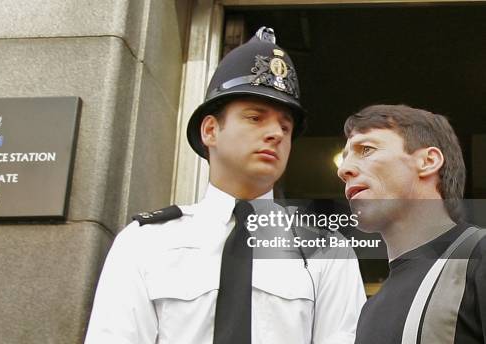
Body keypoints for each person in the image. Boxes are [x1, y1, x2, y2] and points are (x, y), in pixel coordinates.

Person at [85, 27, 365, 344]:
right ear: (210, 130)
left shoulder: (325, 250)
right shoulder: (145, 243)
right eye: (255, 117)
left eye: (285, 126)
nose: (275, 133)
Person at [337, 104, 486, 344]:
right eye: (344, 158)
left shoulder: (477, 257)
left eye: (366, 149)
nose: (343, 170)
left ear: (428, 161)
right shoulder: (368, 312)